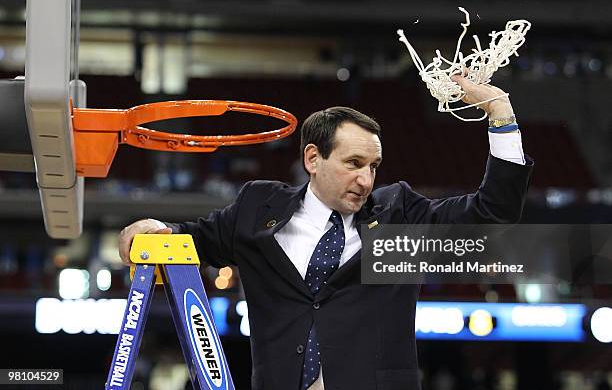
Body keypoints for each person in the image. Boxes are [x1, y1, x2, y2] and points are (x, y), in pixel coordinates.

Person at [119, 75, 533, 390]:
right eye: (354, 163)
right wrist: (152, 228)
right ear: (313, 159)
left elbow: (491, 212)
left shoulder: (399, 214)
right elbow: (192, 239)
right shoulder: (257, 206)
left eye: (373, 166)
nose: (366, 179)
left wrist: (502, 114)